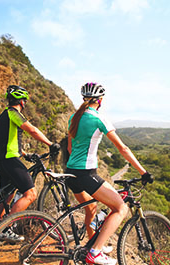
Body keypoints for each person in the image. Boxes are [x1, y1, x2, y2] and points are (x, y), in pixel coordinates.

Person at [65, 82, 152, 265]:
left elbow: (70, 147)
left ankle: (95, 244)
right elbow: (122, 148)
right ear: (100, 100)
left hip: (71, 172)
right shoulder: (99, 119)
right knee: (121, 208)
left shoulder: (74, 116)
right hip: (86, 173)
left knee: (92, 209)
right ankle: (95, 253)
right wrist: (143, 172)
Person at [0, 85, 54, 241]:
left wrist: (25, 154)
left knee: (7, 197)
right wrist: (50, 144)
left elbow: (8, 139)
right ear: (22, 102)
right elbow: (32, 130)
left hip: (1, 161)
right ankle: (5, 228)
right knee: (30, 194)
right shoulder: (13, 113)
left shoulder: (2, 116)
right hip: (10, 161)